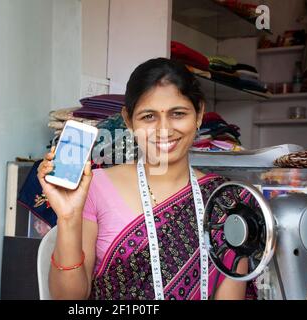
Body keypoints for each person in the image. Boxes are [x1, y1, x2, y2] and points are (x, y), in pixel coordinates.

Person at [38, 58, 251, 300]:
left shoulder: (224, 202)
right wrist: (68, 218)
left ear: (199, 114)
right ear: (128, 120)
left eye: (178, 113)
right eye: (148, 117)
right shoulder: (95, 187)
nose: (164, 129)